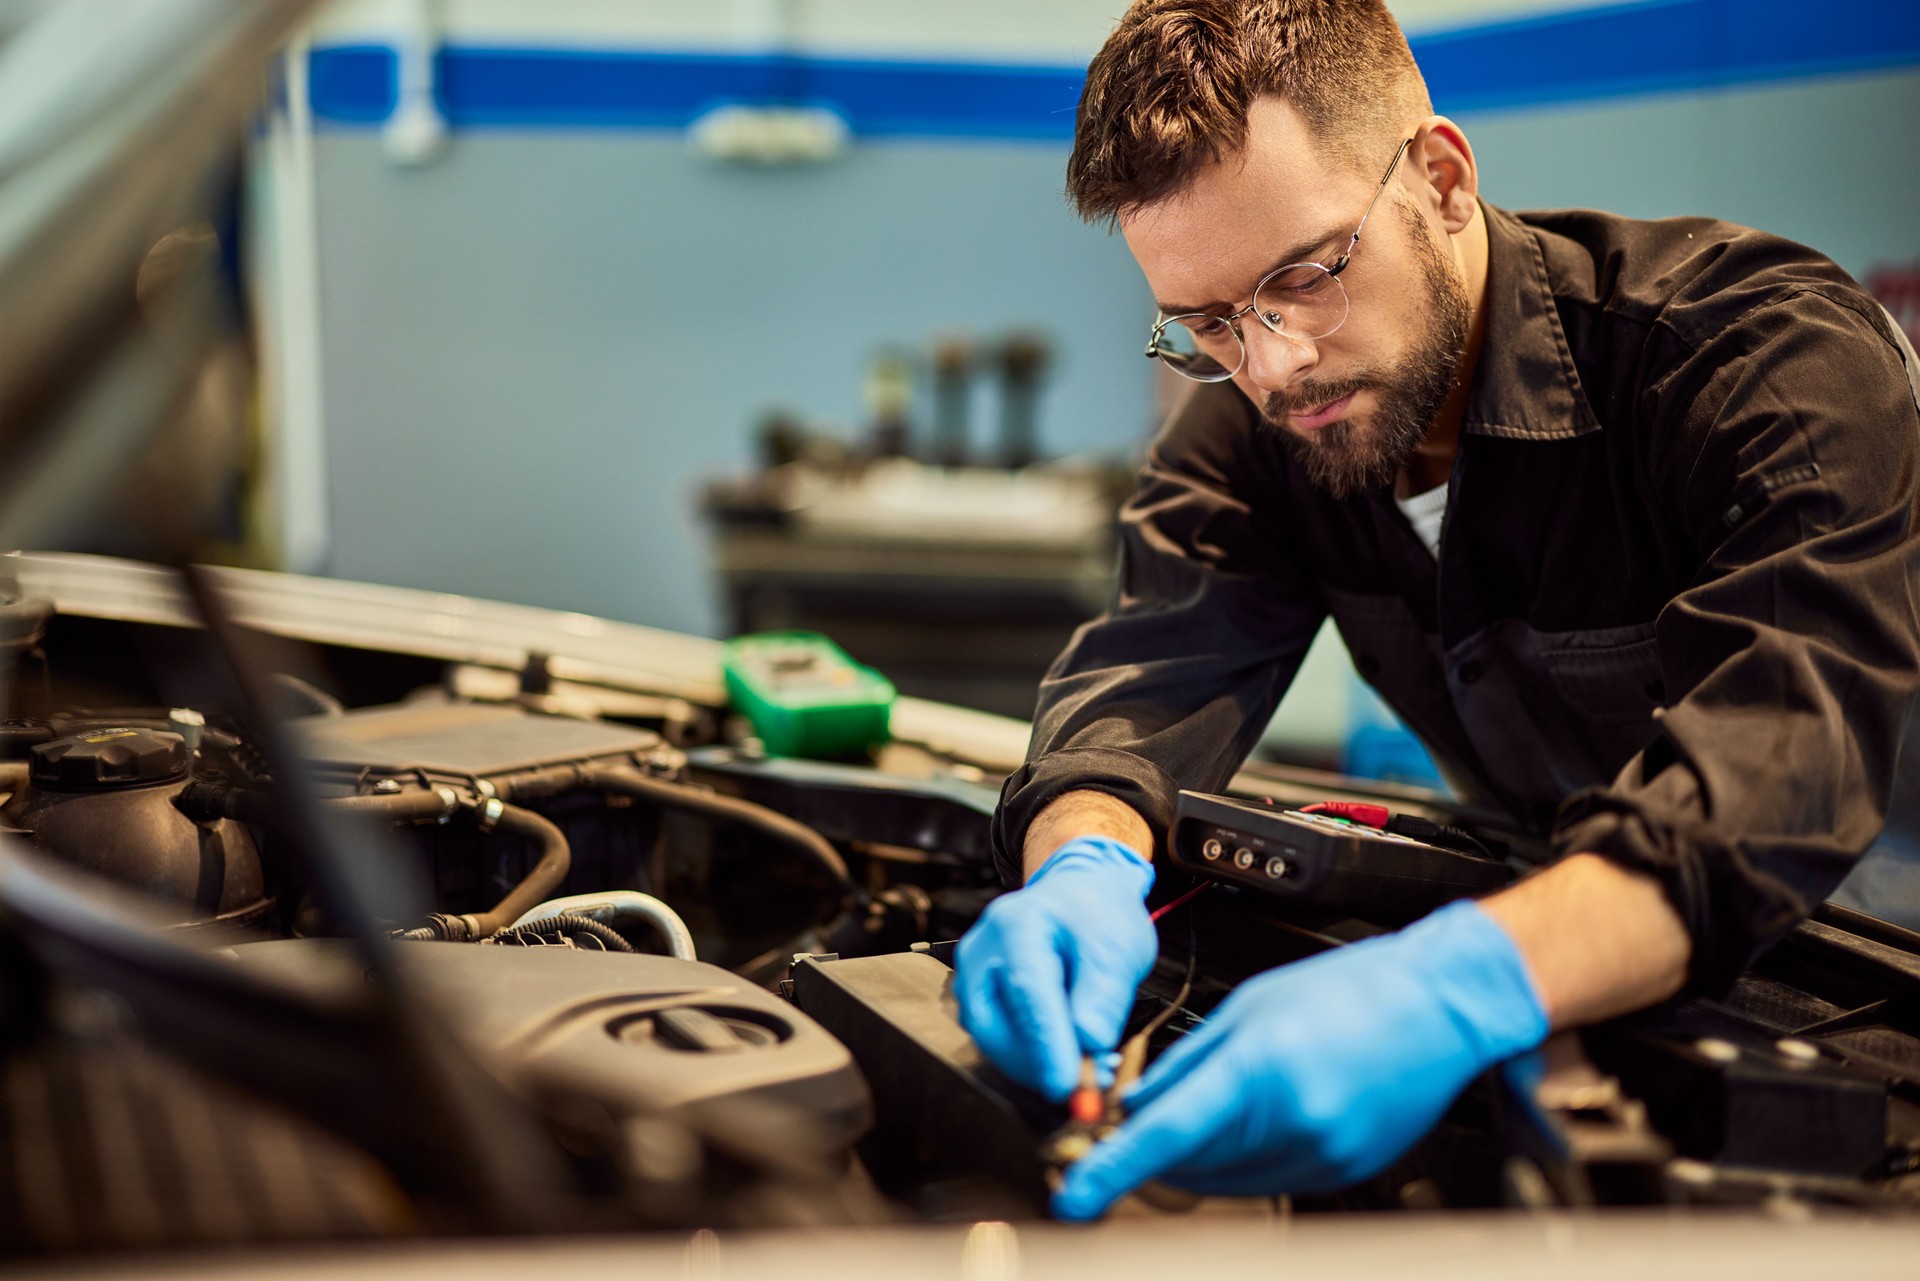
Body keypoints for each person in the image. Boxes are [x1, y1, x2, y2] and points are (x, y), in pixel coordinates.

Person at [953, 0, 1920, 1221]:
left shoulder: (1754, 355)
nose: (1271, 365)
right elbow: (1151, 667)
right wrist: (1079, 859)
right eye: (1205, 324)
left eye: (1301, 278)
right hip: (1604, 960)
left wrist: (1454, 989)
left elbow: (1781, 760)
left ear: (1444, 179)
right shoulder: (1255, 429)